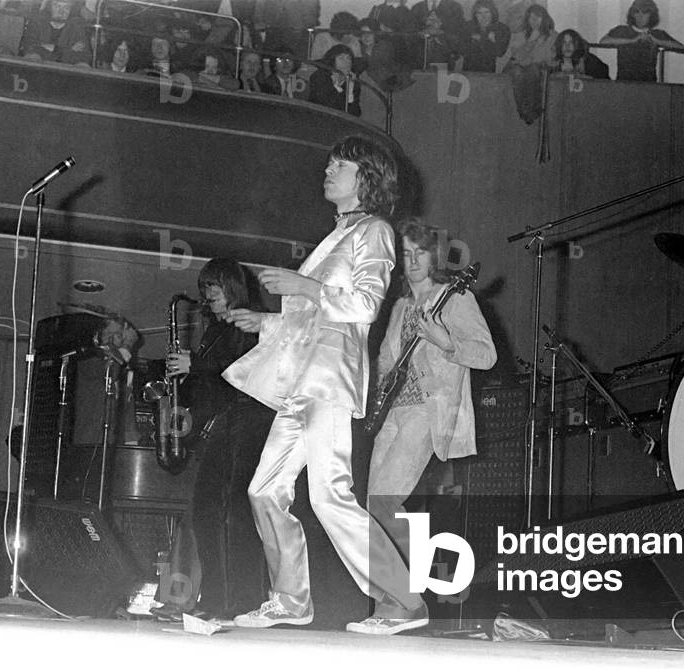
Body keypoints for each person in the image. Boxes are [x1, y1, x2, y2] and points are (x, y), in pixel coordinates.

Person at [222, 135, 429, 635]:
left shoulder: (375, 231)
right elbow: (318, 318)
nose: (329, 169)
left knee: (329, 495)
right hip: (303, 382)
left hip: (329, 382)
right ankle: (290, 599)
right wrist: (267, 323)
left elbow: (363, 307)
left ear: (368, 180)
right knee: (264, 490)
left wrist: (302, 286)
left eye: (342, 164)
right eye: (330, 161)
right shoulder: (340, 233)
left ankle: (403, 600)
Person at [367, 219, 496, 569]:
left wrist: (444, 341)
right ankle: (391, 602)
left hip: (426, 411)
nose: (412, 261)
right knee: (372, 510)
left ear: (433, 256)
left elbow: (486, 355)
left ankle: (405, 599)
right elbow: (385, 359)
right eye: (405, 253)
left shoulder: (455, 298)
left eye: (420, 252)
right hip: (392, 414)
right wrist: (381, 391)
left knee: (383, 503)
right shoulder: (400, 307)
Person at [151, 258, 274, 621]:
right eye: (206, 291)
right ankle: (218, 601)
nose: (208, 298)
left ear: (232, 287)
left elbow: (248, 369)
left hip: (250, 420)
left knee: (236, 514)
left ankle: (243, 600)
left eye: (214, 290)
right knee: (205, 513)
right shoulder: (215, 329)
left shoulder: (251, 321)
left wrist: (197, 365)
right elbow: (211, 382)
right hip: (223, 423)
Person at [601, 0, 684, 82]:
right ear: (632, 14)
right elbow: (603, 41)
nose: (640, 16)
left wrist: (656, 41)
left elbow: (681, 48)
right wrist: (632, 40)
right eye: (637, 12)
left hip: (649, 84)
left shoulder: (657, 33)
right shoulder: (622, 30)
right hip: (624, 83)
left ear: (651, 15)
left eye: (645, 13)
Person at [21, 0, 92, 65]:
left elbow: (84, 56)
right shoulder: (38, 22)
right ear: (49, 7)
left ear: (71, 10)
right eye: (57, 6)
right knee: (32, 58)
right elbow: (29, 46)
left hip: (66, 71)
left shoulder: (77, 28)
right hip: (40, 69)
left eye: (66, 8)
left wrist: (52, 48)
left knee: (83, 65)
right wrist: (67, 50)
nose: (61, 11)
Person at [308, 44, 361, 116]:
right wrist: (337, 87)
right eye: (341, 58)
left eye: (349, 58)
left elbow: (355, 114)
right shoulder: (319, 76)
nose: (346, 62)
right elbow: (328, 107)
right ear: (332, 60)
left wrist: (350, 91)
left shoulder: (353, 83)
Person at [461, 0, 510, 73]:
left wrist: (494, 41)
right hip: (468, 69)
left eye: (487, 12)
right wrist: (476, 39)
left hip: (488, 70)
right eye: (479, 13)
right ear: (475, 14)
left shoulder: (502, 28)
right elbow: (461, 50)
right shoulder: (468, 26)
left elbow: (500, 53)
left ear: (493, 13)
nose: (484, 16)